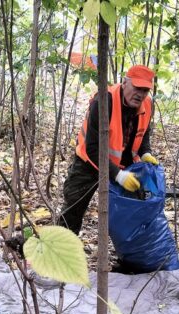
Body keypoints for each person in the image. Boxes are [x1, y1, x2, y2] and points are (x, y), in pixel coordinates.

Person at [58, 65, 160, 235]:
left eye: (145, 90)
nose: (140, 94)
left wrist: (145, 153)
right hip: (89, 163)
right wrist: (118, 175)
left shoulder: (147, 104)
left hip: (126, 167)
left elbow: (144, 133)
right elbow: (92, 148)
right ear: (125, 82)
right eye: (137, 88)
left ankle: (132, 250)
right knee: (73, 210)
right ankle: (61, 247)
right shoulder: (104, 101)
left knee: (133, 213)